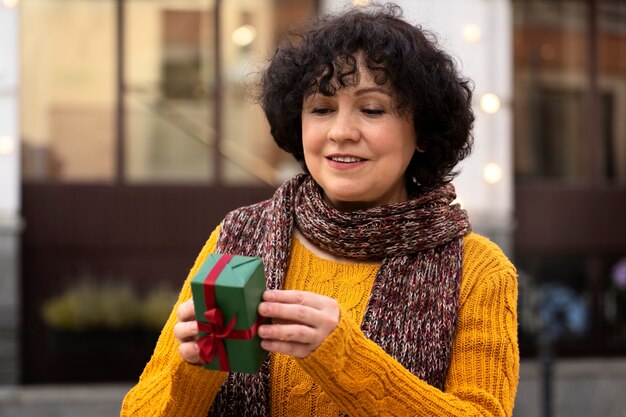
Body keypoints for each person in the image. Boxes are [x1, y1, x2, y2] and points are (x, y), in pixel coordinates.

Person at [121, 3, 519, 416]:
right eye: (321, 109)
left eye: (372, 109)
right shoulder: (239, 238)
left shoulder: (477, 269)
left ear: (422, 130)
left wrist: (344, 357)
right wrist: (196, 369)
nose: (341, 132)